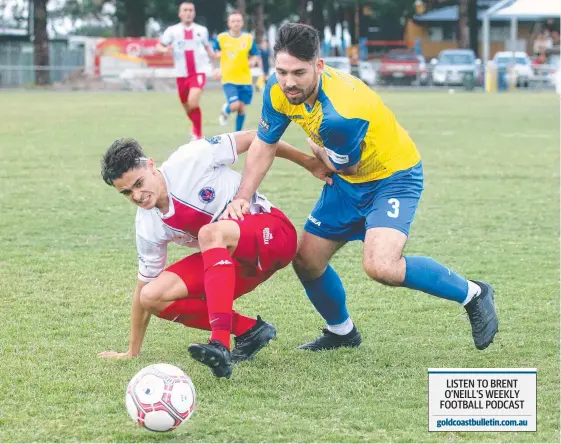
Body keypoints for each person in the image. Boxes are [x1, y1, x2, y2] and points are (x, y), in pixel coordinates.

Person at [222, 23, 499, 352]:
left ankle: (474, 293)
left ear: (319, 66)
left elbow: (344, 165)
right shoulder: (276, 91)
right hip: (348, 184)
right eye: (281, 71)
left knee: (381, 266)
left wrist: (316, 149)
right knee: (306, 259)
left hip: (392, 177)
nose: (289, 82)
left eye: (298, 72)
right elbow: (265, 143)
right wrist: (242, 197)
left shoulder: (341, 115)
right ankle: (342, 332)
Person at [98, 131, 332, 378]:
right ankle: (250, 330)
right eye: (126, 193)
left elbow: (259, 138)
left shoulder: (189, 158)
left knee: (209, 234)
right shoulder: (147, 225)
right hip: (233, 266)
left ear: (151, 166)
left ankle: (219, 343)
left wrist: (308, 163)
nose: (136, 196)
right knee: (151, 296)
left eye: (138, 184)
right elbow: (142, 286)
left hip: (274, 236)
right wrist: (132, 351)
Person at [155, 2, 216, 141]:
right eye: (185, 10)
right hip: (181, 74)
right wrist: (165, 50)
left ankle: (198, 134)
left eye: (190, 10)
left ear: (194, 13)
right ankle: (195, 128)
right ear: (180, 13)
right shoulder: (172, 31)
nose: (188, 13)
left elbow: (209, 50)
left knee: (193, 102)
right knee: (187, 105)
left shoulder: (202, 30)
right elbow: (159, 47)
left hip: (199, 72)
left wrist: (214, 64)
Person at [215, 11, 260, 131]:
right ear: (229, 23)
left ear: (242, 23)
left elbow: (255, 54)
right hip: (229, 78)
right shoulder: (221, 38)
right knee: (235, 105)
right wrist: (216, 60)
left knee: (241, 108)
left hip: (245, 79)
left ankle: (237, 134)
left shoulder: (248, 38)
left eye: (238, 21)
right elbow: (214, 51)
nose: (236, 23)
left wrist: (253, 61)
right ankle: (226, 109)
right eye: (233, 21)